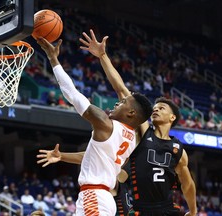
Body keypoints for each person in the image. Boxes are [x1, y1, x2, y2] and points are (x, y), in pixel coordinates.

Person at [79, 29, 197, 216]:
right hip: (140, 209)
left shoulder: (177, 149)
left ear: (172, 118)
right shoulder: (144, 132)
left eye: (162, 108)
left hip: (166, 209)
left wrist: (193, 210)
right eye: (155, 107)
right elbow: (121, 89)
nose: (156, 109)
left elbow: (187, 183)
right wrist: (102, 56)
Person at [36, 37, 153, 215]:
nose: (116, 103)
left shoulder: (106, 124)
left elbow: (72, 95)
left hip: (95, 196)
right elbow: (93, 156)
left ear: (131, 113)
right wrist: (62, 157)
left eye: (122, 103)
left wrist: (54, 59)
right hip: (100, 197)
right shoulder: (131, 141)